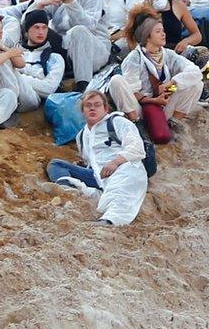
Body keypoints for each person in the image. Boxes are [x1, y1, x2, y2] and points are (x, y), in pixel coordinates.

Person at [44, 90, 147, 227]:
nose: (92, 108)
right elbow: (90, 160)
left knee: (123, 187)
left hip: (123, 169)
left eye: (97, 105)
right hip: (98, 176)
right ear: (83, 110)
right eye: (88, 105)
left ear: (105, 108)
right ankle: (69, 192)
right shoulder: (81, 136)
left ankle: (110, 220)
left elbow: (137, 148)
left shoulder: (118, 122)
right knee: (56, 164)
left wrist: (115, 162)